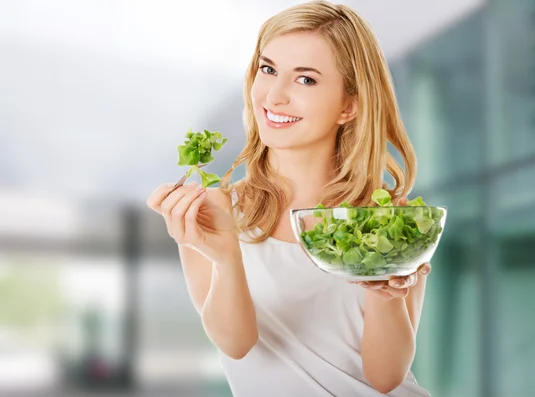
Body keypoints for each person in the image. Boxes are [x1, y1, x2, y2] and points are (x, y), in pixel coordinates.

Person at [147, 1, 432, 395]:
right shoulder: (216, 214)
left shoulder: (386, 219)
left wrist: (387, 294)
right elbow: (236, 345)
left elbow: (385, 378)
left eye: (306, 80)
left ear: (349, 105)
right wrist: (226, 255)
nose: (274, 95)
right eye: (268, 69)